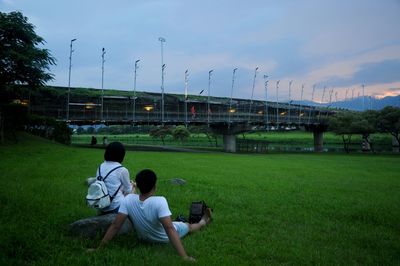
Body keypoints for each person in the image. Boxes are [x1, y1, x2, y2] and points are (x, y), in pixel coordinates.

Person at [94, 169, 212, 262]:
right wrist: (184, 257)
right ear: (155, 186)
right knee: (188, 226)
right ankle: (203, 221)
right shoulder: (160, 201)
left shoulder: (128, 199)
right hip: (163, 238)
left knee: (173, 222)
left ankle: (190, 221)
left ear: (138, 185)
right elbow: (170, 229)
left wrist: (99, 248)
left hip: (144, 238)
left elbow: (115, 225)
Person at [97, 141, 133, 214]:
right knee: (132, 192)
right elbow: (128, 190)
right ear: (121, 155)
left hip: (102, 205)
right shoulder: (122, 170)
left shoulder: (100, 167)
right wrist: (133, 185)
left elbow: (110, 185)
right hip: (116, 206)